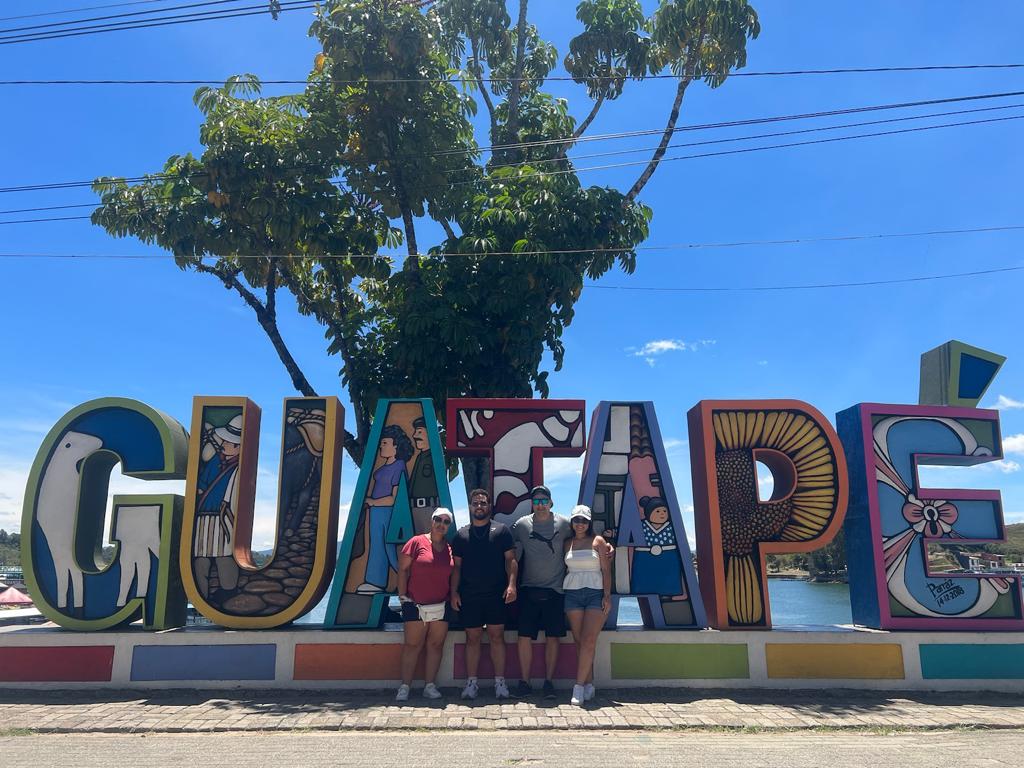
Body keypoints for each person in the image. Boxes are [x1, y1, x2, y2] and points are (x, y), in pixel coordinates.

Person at [450, 488, 517, 700]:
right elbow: (456, 568)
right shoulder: (461, 535)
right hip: (469, 595)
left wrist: (512, 585)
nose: (479, 506)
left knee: (497, 637)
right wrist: (453, 592)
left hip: (496, 594)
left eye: (483, 503)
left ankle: (500, 683)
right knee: (472, 638)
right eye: (476, 503)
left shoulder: (502, 531)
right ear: (470, 507)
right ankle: (471, 683)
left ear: (489, 506)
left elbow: (511, 560)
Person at [510, 484, 573, 699]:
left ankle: (548, 682)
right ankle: (524, 682)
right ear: (532, 504)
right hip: (528, 589)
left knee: (553, 637)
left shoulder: (564, 524)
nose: (540, 505)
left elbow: (582, 538)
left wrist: (604, 547)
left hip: (556, 590)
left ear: (551, 502)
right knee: (524, 637)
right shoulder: (521, 525)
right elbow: (510, 553)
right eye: (536, 501)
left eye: (543, 501)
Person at [395, 508, 455, 702]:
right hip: (415, 603)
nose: (442, 524)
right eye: (438, 519)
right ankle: (405, 687)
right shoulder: (416, 542)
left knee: (436, 645)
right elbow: (403, 570)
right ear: (432, 521)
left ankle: (430, 686)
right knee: (412, 645)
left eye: (446, 522)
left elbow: (454, 574)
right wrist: (403, 596)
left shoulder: (449, 548)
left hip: (441, 604)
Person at [357, 424, 414, 595]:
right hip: (375, 512)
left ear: (396, 446)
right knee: (377, 545)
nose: (382, 446)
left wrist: (372, 502)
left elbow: (395, 498)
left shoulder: (399, 466)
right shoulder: (383, 468)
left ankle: (408, 580)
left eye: (385, 443)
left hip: (388, 512)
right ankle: (375, 581)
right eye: (381, 443)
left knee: (388, 546)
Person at [563, 504, 611, 706]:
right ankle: (589, 684)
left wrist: (607, 596)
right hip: (572, 593)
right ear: (572, 522)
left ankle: (578, 687)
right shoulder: (567, 543)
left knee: (589, 640)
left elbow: (606, 571)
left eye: (583, 520)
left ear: (589, 522)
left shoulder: (598, 541)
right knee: (579, 641)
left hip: (594, 593)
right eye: (576, 520)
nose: (580, 524)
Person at [194, 414, 243, 603]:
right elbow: (202, 483)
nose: (223, 444)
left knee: (225, 555)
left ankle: (228, 590)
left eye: (228, 442)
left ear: (238, 447)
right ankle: (201, 596)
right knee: (201, 557)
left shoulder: (240, 467)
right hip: (204, 517)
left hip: (223, 516)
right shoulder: (215, 461)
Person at [631, 496, 683, 595]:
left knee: (668, 585)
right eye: (658, 511)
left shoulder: (671, 528)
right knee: (644, 584)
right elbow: (627, 533)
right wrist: (613, 533)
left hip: (667, 558)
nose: (662, 513)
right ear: (649, 513)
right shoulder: (641, 526)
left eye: (664, 511)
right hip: (645, 560)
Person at [408, 417, 440, 533]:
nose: (415, 435)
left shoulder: (434, 458)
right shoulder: (419, 457)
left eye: (419, 431)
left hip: (429, 508)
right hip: (415, 509)